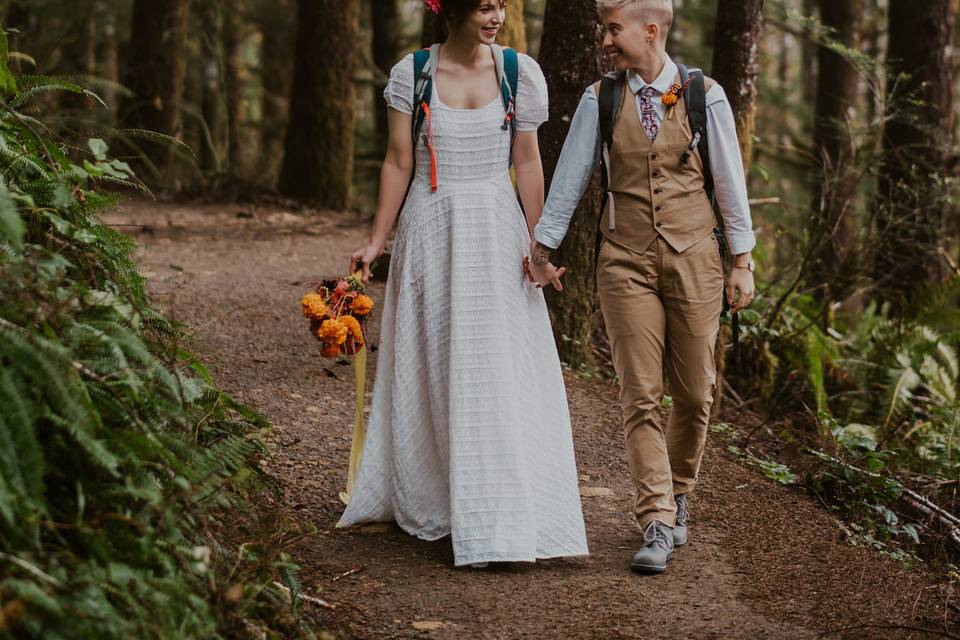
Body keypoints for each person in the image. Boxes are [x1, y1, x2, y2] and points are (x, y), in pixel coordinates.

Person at [338, 0, 589, 568]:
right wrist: (375, 242)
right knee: (434, 362)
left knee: (496, 366)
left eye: (500, 5)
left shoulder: (519, 73)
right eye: (483, 6)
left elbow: (527, 161)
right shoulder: (413, 73)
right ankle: (438, 500)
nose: (496, 16)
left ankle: (498, 511)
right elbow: (399, 162)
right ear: (450, 9)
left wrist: (540, 245)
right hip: (431, 226)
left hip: (497, 231)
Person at [527, 0, 756, 573]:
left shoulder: (707, 97)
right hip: (624, 262)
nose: (604, 40)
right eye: (604, 29)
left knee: (698, 392)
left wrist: (742, 259)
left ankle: (680, 493)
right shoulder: (599, 99)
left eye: (612, 29)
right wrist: (541, 248)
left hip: (696, 259)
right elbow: (571, 178)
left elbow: (728, 180)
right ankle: (654, 518)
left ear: (649, 31)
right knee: (640, 393)